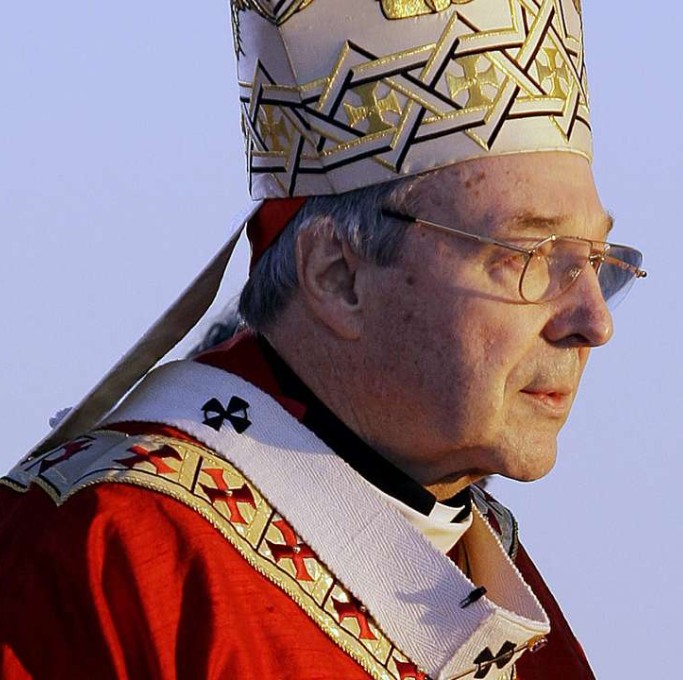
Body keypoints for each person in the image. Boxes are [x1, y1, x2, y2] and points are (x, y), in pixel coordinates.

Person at [0, 1, 645, 678]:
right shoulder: (102, 553)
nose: (593, 322)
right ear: (339, 277)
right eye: (530, 255)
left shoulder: (487, 570)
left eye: (598, 263)